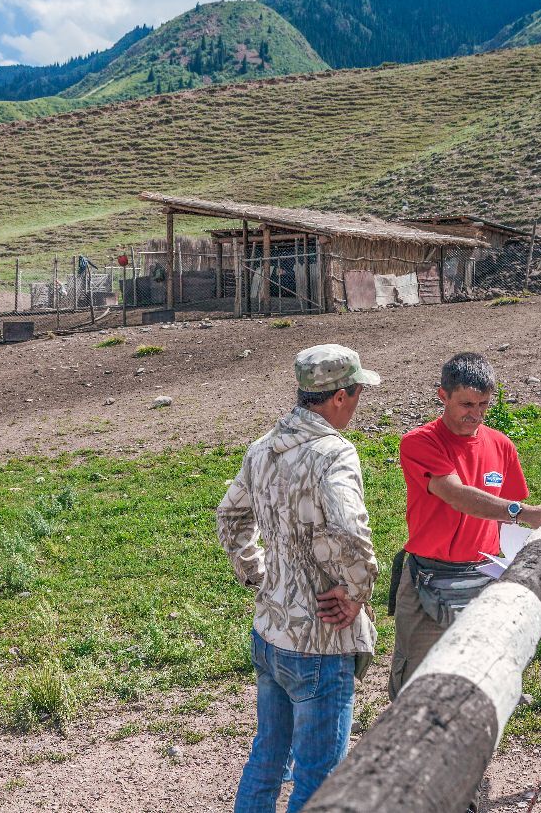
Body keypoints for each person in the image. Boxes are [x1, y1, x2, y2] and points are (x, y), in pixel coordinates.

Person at [216, 343, 382, 813]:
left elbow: (231, 519)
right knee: (320, 779)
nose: (356, 405)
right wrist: (355, 593)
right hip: (320, 642)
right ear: (338, 397)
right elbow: (350, 530)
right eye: (356, 395)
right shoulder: (333, 453)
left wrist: (258, 574)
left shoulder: (262, 447)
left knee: (266, 760)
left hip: (270, 631)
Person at [390, 352, 541, 700]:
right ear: (443, 396)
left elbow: (508, 524)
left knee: (475, 673)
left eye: (484, 404)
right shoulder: (419, 442)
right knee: (415, 679)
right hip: (429, 574)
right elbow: (456, 495)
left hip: (483, 574)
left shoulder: (501, 445)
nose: (476, 414)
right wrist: (523, 512)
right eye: (466, 403)